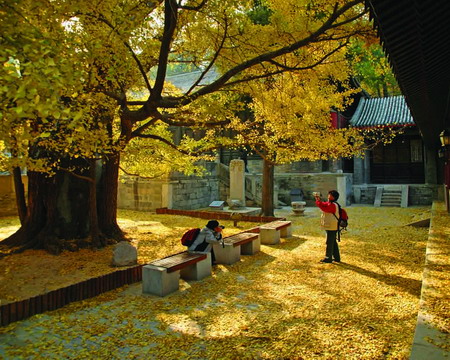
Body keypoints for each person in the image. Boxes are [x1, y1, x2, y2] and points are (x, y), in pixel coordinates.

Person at [314, 190, 341, 264]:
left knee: (329, 242)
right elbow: (323, 204)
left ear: (334, 197)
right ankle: (337, 257)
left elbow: (324, 208)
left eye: (330, 194)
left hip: (332, 226)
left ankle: (328, 258)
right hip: (330, 225)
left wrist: (318, 202)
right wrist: (318, 200)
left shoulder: (333, 205)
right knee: (333, 242)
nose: (329, 195)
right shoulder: (330, 203)